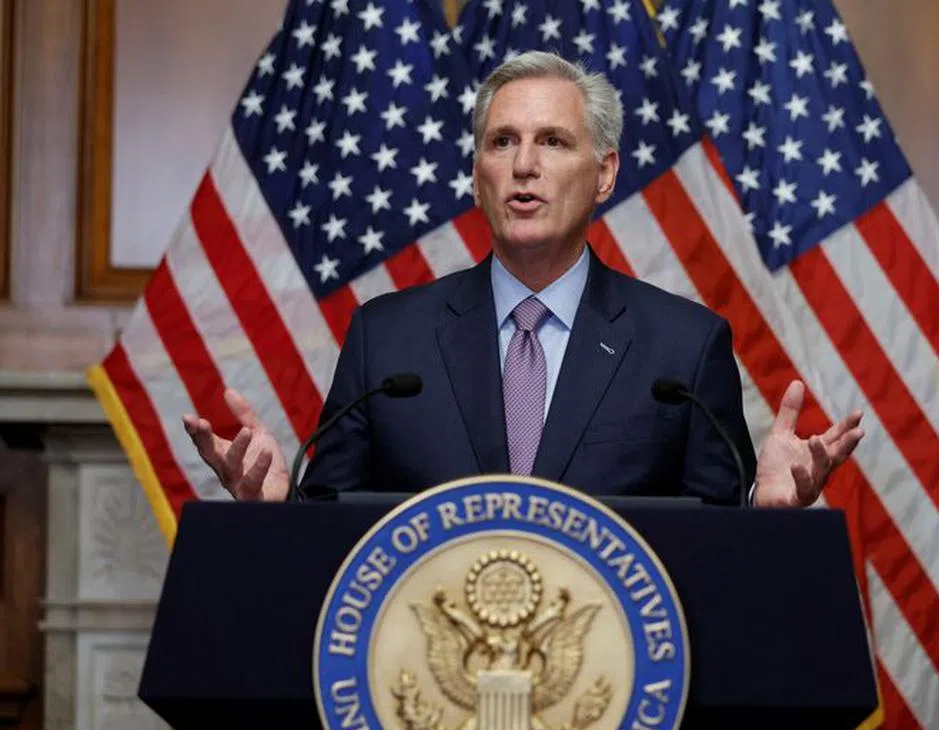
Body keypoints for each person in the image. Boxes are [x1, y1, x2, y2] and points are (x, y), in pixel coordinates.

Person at [182, 51, 863, 507]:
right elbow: (331, 542)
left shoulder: (682, 350)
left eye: (553, 142)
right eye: (502, 142)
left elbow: (715, 562)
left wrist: (766, 514)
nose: (524, 165)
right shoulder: (387, 342)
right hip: (426, 703)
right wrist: (277, 509)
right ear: (477, 175)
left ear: (604, 174)